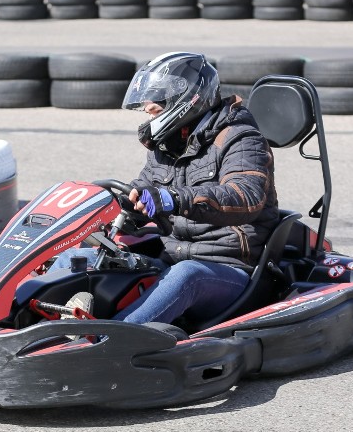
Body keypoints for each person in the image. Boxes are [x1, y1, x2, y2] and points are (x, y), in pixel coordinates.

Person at [57, 51, 280, 328]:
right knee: (78, 257)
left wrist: (173, 199)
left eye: (158, 99)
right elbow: (143, 190)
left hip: (231, 269)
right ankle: (25, 320)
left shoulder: (242, 139)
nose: (148, 106)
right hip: (172, 257)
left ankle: (107, 341)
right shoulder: (167, 144)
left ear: (188, 97)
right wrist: (119, 204)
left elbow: (246, 197)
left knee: (187, 275)